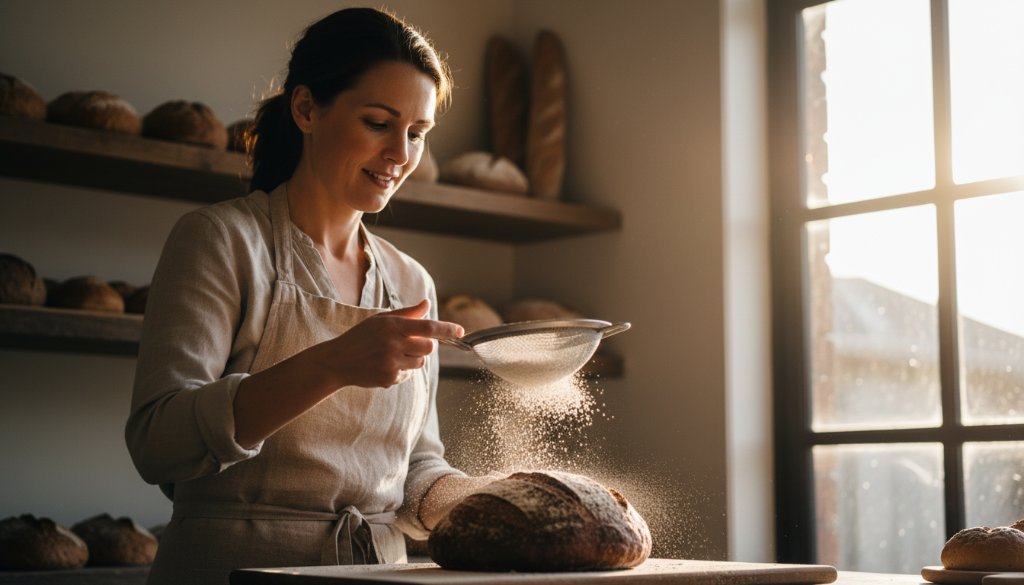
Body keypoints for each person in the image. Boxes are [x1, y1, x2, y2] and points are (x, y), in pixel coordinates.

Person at [125, 8, 499, 585]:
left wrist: (489, 501)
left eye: (418, 133)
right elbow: (158, 443)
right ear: (305, 109)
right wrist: (332, 363)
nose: (401, 154)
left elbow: (417, 468)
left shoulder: (411, 282)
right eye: (379, 122)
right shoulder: (222, 241)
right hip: (229, 568)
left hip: (378, 573)